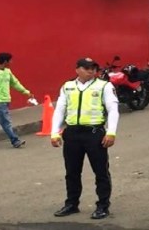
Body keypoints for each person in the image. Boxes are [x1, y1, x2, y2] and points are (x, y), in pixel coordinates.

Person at [51, 58, 120, 220]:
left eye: (94, 68)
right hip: (72, 133)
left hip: (94, 134)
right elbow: (60, 110)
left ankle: (103, 205)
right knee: (72, 172)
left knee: (101, 171)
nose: (91, 71)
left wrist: (111, 132)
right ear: (77, 69)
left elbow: (113, 110)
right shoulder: (67, 87)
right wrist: (54, 132)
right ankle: (71, 204)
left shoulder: (104, 86)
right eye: (87, 68)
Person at [0, 52, 33, 148]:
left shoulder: (8, 72)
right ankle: (15, 140)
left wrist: (26, 92)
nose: (11, 62)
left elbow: (15, 83)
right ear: (5, 61)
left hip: (6, 100)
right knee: (6, 122)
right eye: (10, 60)